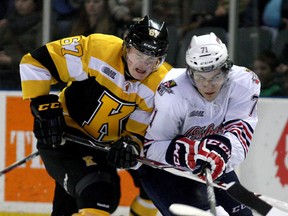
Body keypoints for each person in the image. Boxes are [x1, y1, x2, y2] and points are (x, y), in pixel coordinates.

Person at [19, 15, 170, 216]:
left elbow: (138, 129)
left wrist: (131, 143)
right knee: (98, 194)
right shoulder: (98, 49)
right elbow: (36, 62)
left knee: (87, 201)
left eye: (153, 58)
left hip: (101, 149)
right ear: (127, 47)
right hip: (64, 134)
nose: (144, 64)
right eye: (140, 53)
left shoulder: (161, 84)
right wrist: (42, 103)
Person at [137, 32, 261, 215]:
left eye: (215, 77)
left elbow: (241, 134)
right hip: (166, 171)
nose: (207, 85)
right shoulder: (173, 92)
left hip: (214, 162)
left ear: (227, 68)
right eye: (200, 77)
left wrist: (222, 151)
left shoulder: (244, 82)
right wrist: (192, 153)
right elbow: (152, 147)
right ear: (190, 73)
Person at [0, 0, 43, 90]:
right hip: (7, 74)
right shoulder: (7, 23)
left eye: (24, 1)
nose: (19, 4)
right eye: (17, 0)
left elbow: (41, 59)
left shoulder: (44, 25)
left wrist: (11, 60)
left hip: (31, 76)